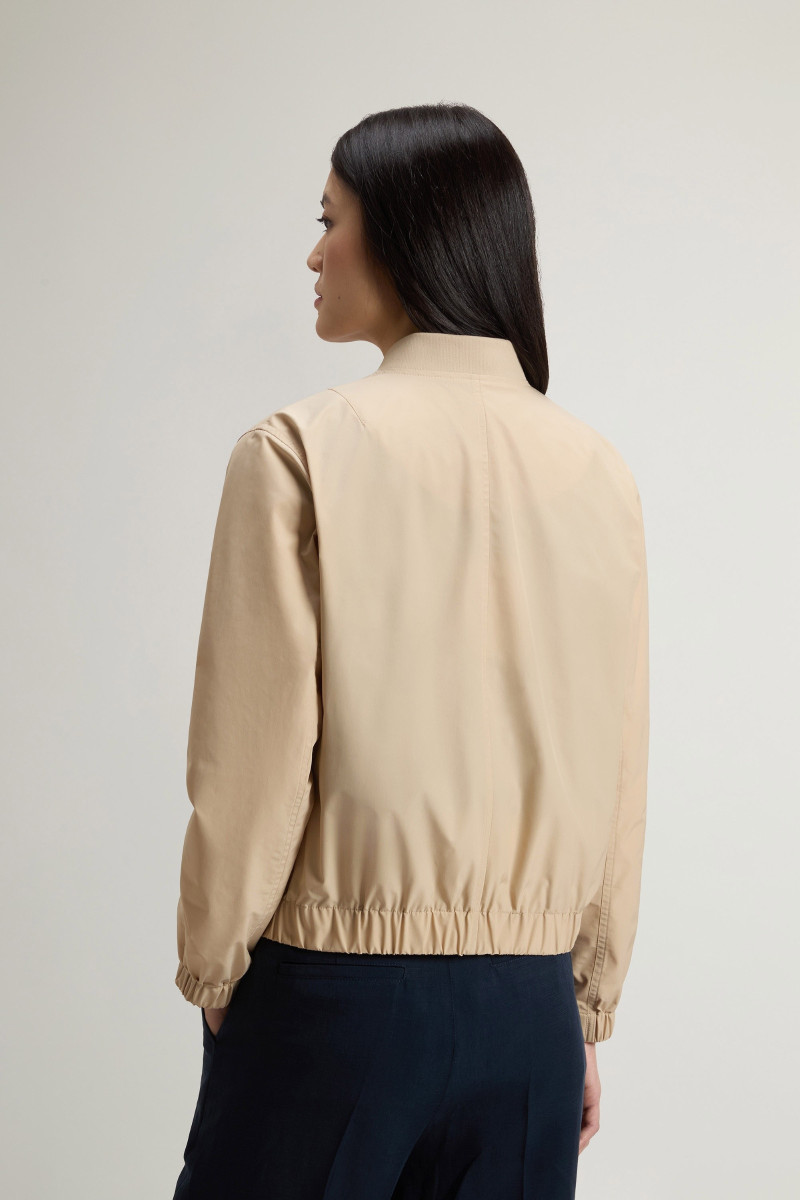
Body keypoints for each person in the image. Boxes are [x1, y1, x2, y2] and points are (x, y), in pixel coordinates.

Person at [172, 102, 650, 1200]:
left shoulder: (296, 451)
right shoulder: (599, 472)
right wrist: (580, 1010)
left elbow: (252, 760)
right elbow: (617, 773)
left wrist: (216, 967)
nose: (314, 254)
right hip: (527, 1018)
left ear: (403, 232)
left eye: (329, 219)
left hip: (330, 1001)